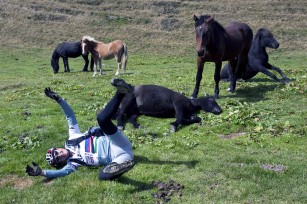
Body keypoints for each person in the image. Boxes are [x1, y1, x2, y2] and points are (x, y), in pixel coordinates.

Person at [25, 78, 135, 180]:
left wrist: (59, 100)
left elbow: (70, 117)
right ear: (61, 162)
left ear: (56, 148)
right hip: (120, 157)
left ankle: (121, 92)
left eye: (56, 152)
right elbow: (62, 173)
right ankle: (124, 165)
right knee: (102, 175)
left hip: (115, 142)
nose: (60, 155)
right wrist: (42, 173)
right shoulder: (73, 163)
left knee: (101, 119)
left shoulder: (73, 137)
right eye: (58, 159)